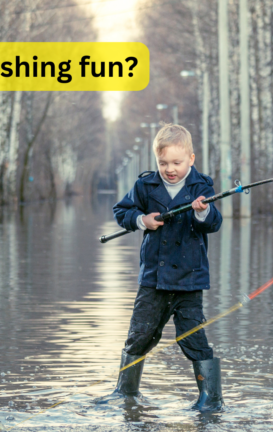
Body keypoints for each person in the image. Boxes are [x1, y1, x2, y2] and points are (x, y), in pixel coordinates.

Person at [110, 123, 224, 411]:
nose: (170, 169)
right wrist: (141, 220)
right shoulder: (145, 185)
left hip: (190, 282)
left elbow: (214, 224)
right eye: (163, 163)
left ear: (191, 159)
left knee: (194, 339)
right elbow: (121, 211)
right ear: (156, 160)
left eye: (177, 162)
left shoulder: (202, 186)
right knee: (139, 336)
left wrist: (203, 212)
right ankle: (126, 395)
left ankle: (211, 400)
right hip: (153, 281)